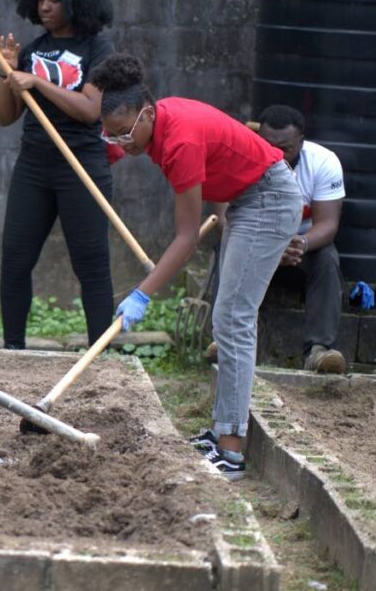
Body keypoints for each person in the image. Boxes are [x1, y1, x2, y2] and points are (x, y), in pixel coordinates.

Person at [91, 54, 301, 480]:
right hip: (247, 199)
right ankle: (222, 430)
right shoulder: (157, 125)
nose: (121, 143)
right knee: (228, 318)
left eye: (125, 133)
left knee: (233, 318)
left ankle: (230, 450)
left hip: (268, 199)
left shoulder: (179, 141)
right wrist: (223, 207)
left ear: (147, 113)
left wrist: (142, 293)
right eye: (111, 136)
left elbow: (186, 238)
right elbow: (228, 143)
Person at [0, 0, 116, 349]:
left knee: (91, 265)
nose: (45, 6)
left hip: (81, 167)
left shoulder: (98, 49)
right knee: (15, 259)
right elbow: (6, 116)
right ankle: (14, 348)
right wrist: (7, 73)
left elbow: (89, 110)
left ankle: (99, 355)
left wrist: (37, 81)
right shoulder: (32, 50)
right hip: (34, 167)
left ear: (75, 2)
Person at [209, 106, 346, 373]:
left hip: (298, 248)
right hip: (250, 244)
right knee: (222, 247)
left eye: (287, 149)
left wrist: (301, 244)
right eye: (269, 146)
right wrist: (268, 245)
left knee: (327, 257)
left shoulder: (324, 162)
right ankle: (223, 341)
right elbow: (223, 220)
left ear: (301, 141)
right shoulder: (233, 158)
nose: (278, 155)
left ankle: (319, 351)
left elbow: (328, 225)